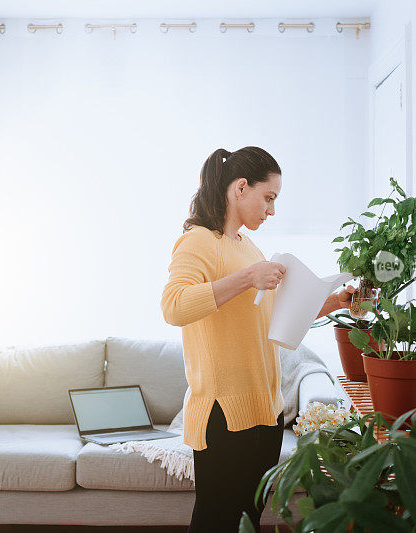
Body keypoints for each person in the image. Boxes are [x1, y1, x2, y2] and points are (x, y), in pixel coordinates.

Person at [161, 147, 356, 532]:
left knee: (247, 520)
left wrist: (335, 302)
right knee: (217, 521)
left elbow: (270, 316)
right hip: (224, 415)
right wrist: (248, 278)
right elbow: (174, 306)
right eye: (269, 198)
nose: (271, 210)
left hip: (265, 411)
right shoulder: (197, 242)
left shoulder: (247, 247)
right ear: (240, 188)